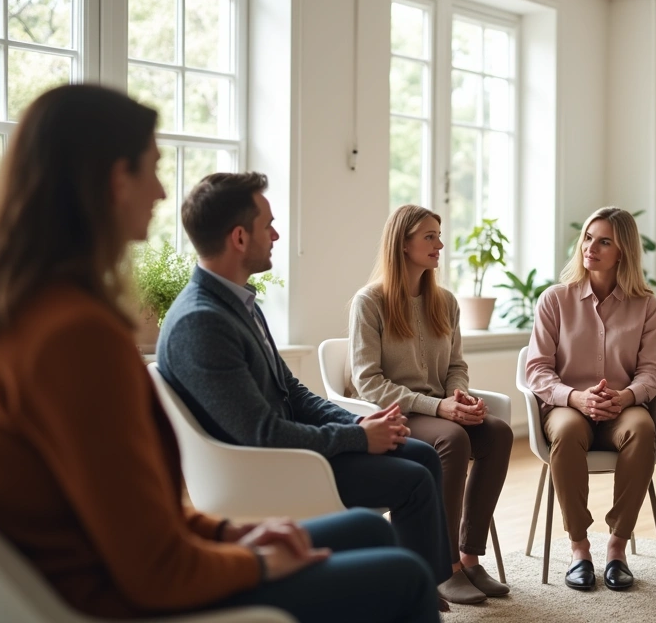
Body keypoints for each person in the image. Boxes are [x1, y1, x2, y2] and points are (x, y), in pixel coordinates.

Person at [0, 85, 438, 623]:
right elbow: (154, 568)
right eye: (153, 168)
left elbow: (139, 515)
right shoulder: (75, 340)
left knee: (367, 528)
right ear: (116, 180)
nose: (163, 192)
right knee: (405, 578)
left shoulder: (19, 317)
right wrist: (256, 562)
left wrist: (233, 533)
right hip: (120, 600)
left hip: (127, 569)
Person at [155, 172, 454, 608]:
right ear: (239, 238)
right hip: (268, 468)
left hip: (292, 448)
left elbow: (290, 390)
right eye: (268, 226)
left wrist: (356, 420)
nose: (277, 235)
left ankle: (425, 591)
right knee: (412, 480)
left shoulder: (237, 303)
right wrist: (356, 438)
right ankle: (417, 592)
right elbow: (261, 435)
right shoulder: (201, 322)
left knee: (422, 454)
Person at [348, 204, 513, 605]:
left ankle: (470, 557)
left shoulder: (446, 301)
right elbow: (367, 381)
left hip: (440, 409)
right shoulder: (369, 302)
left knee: (497, 432)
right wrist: (439, 409)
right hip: (394, 414)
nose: (440, 244)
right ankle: (444, 568)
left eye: (438, 235)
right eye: (429, 236)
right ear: (403, 244)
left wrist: (459, 395)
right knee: (453, 438)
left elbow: (456, 365)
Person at [525, 207, 656, 591]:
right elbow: (536, 369)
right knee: (567, 433)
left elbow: (652, 371)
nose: (591, 247)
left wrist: (626, 397)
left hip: (623, 408)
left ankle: (617, 548)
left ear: (623, 252)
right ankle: (580, 548)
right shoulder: (555, 299)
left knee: (642, 428)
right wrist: (576, 398)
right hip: (568, 408)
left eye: (604, 241)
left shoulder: (645, 304)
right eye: (588, 237)